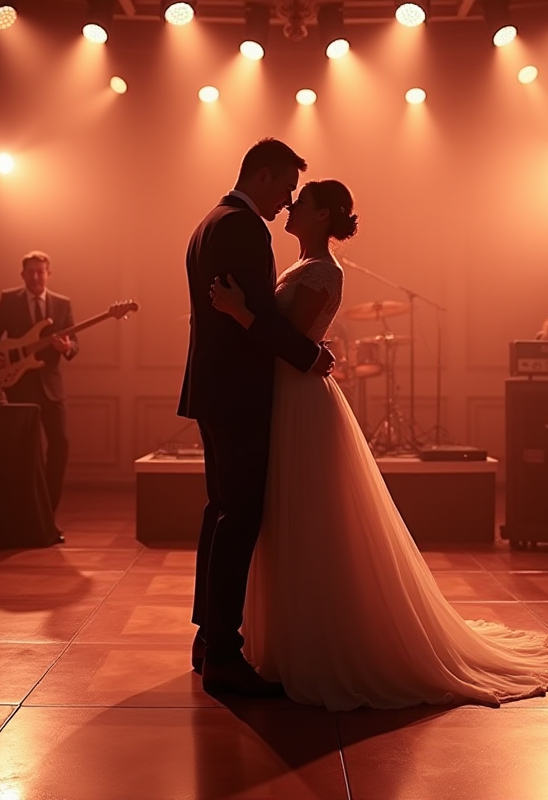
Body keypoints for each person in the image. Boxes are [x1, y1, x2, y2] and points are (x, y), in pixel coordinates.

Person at [210, 180, 548, 710]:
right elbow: (293, 338)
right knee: (290, 516)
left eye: (303, 203)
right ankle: (293, 633)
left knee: (312, 517)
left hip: (300, 397)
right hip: (287, 392)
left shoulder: (323, 270)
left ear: (324, 216)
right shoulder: (301, 266)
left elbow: (286, 341)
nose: (292, 207)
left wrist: (240, 312)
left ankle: (327, 637)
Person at [178, 138, 335, 697]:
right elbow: (259, 318)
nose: (287, 200)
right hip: (240, 394)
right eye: (286, 188)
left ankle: (207, 640)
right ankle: (223, 653)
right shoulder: (244, 228)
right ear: (263, 177)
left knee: (220, 513)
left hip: (213, 389)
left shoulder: (209, 221)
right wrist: (311, 356)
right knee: (238, 520)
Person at [0, 251, 77, 539]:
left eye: (41, 272)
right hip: (19, 385)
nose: (36, 277)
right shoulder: (10, 299)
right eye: (31, 272)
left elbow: (75, 344)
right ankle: (24, 515)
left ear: (49, 274)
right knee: (27, 450)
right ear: (22, 275)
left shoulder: (62, 304)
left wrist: (66, 348)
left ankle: (47, 515)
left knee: (60, 444)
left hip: (51, 386)